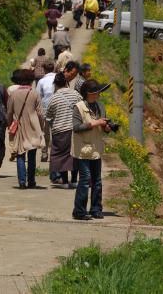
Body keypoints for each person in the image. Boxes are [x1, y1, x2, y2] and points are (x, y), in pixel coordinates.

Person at [71, 80, 112, 220]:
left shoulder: (100, 106)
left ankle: (96, 209)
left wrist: (106, 127)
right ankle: (79, 211)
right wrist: (97, 123)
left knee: (97, 180)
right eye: (97, 92)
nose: (99, 95)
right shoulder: (78, 107)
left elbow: (103, 126)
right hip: (83, 149)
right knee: (85, 180)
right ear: (89, 94)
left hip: (96, 148)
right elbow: (76, 127)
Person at [6, 69, 44, 189]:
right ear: (31, 80)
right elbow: (40, 113)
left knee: (20, 154)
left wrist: (9, 125)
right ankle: (31, 181)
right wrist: (41, 127)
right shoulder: (34, 93)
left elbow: (9, 112)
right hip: (33, 127)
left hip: (20, 127)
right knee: (32, 155)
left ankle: (22, 182)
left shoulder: (13, 94)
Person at [45, 73, 82, 188]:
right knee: (75, 155)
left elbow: (48, 116)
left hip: (60, 131)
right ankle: (75, 180)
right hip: (75, 130)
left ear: (55, 84)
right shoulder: (76, 94)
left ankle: (65, 181)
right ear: (67, 83)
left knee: (61, 156)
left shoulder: (54, 98)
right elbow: (82, 108)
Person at [36, 61, 56, 165]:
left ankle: (44, 154)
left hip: (45, 110)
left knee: (45, 133)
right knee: (55, 132)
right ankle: (54, 153)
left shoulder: (41, 81)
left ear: (44, 69)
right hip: (57, 109)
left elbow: (38, 97)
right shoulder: (59, 78)